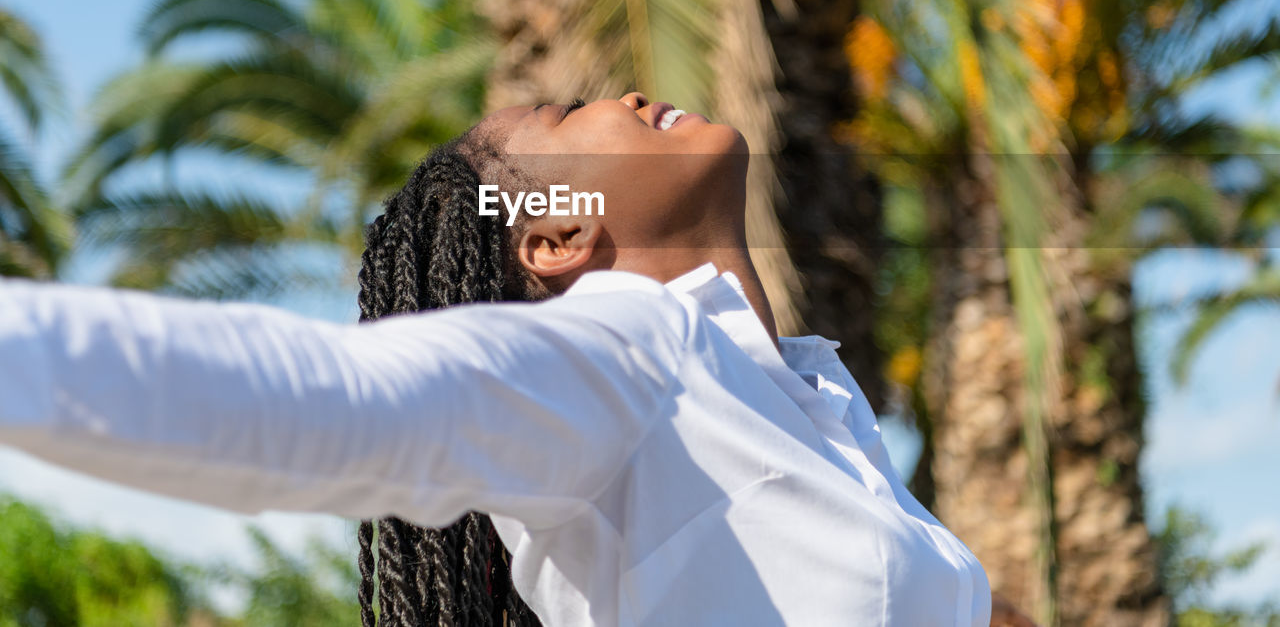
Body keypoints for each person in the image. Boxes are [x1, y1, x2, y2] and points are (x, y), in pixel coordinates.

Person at [0, 92, 992, 626]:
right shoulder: (627, 355)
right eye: (568, 112)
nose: (631, 92)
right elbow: (343, 401)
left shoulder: (810, 396)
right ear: (555, 238)